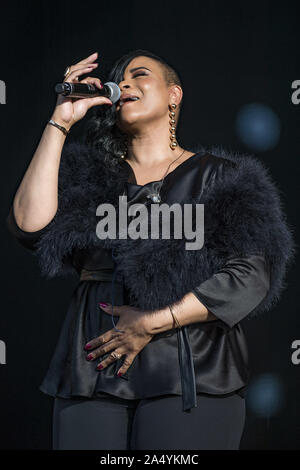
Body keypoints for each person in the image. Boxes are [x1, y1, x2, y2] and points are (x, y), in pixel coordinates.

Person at [6, 49, 295, 450]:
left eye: (139, 75)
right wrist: (60, 121)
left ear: (174, 95)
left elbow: (251, 276)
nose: (124, 83)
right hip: (94, 369)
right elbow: (28, 227)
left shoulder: (221, 178)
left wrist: (153, 322)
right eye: (118, 78)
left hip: (191, 370)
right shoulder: (88, 177)